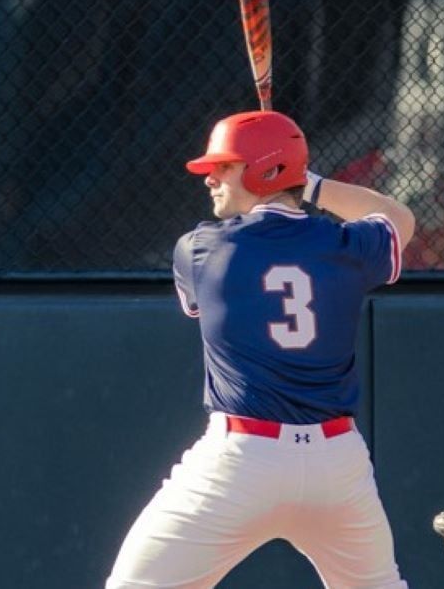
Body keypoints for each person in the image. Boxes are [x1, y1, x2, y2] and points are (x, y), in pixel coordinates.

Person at [106, 110, 415, 589]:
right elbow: (400, 219)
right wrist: (307, 183)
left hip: (244, 460)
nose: (209, 177)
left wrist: (287, 179)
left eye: (224, 166)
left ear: (262, 170)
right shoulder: (344, 243)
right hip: (338, 466)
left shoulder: (202, 249)